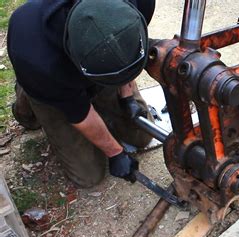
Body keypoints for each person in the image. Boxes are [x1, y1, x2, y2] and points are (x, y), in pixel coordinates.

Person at [7, 0, 157, 188]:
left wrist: (127, 96)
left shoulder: (139, 5)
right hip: (50, 78)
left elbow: (126, 45)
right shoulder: (38, 59)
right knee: (89, 176)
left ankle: (103, 91)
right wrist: (115, 153)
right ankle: (26, 97)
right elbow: (80, 113)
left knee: (142, 136)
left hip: (97, 65)